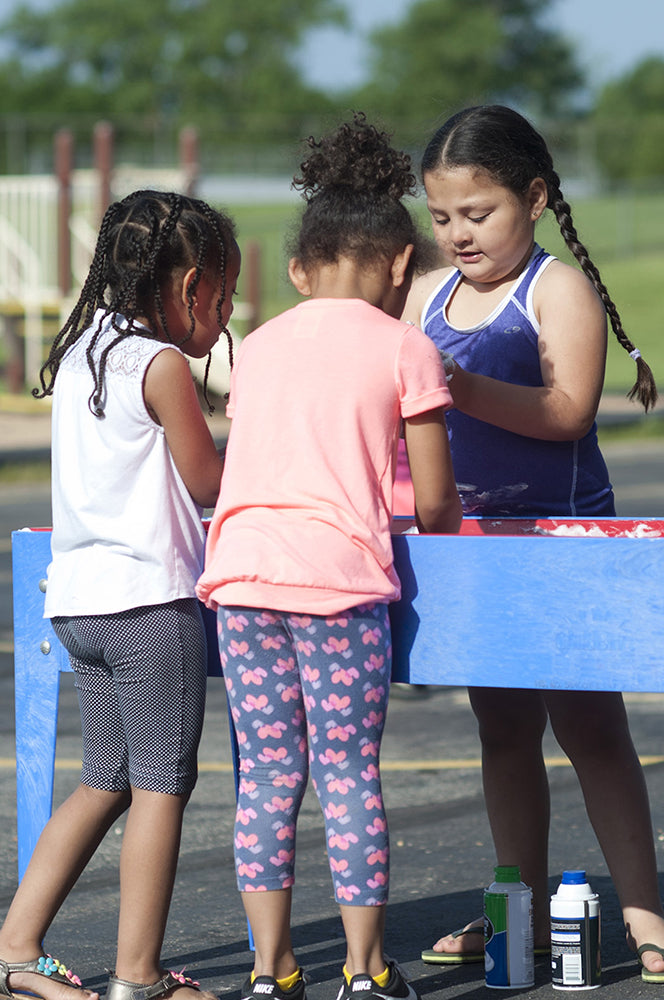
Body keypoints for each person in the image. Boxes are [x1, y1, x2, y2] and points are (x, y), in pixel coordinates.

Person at [402, 104, 664, 985]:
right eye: (443, 216)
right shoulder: (431, 293)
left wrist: (451, 385)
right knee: (501, 731)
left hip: (563, 539)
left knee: (593, 729)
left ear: (533, 199)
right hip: (473, 545)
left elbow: (568, 412)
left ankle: (645, 909)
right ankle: (515, 904)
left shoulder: (556, 289)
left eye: (478, 213)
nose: (458, 233)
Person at [196, 113, 462, 1000]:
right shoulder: (406, 346)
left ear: (302, 268)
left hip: (239, 578)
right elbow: (431, 500)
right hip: (338, 586)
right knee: (348, 774)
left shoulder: (256, 346)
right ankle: (366, 967)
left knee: (268, 778)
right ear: (398, 265)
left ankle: (271, 972)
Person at [0, 190, 240, 1000]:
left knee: (103, 778)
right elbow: (207, 481)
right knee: (163, 785)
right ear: (190, 286)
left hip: (78, 604)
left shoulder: (80, 355)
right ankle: (138, 975)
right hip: (150, 604)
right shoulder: (163, 365)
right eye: (225, 297)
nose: (227, 314)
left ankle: (16, 949)